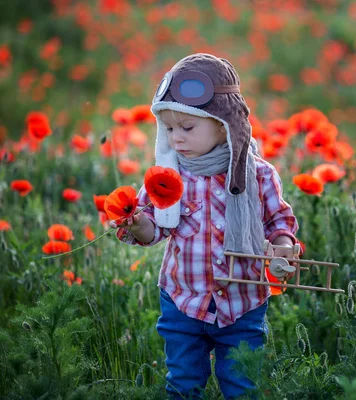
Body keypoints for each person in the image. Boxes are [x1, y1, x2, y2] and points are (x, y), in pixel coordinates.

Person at [111, 53, 299, 399]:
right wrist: (138, 224)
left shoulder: (257, 174)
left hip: (243, 302)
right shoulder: (168, 176)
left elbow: (278, 221)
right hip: (183, 300)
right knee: (183, 382)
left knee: (242, 385)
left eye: (187, 127)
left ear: (222, 122)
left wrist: (283, 246)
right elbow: (154, 230)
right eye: (169, 128)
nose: (177, 138)